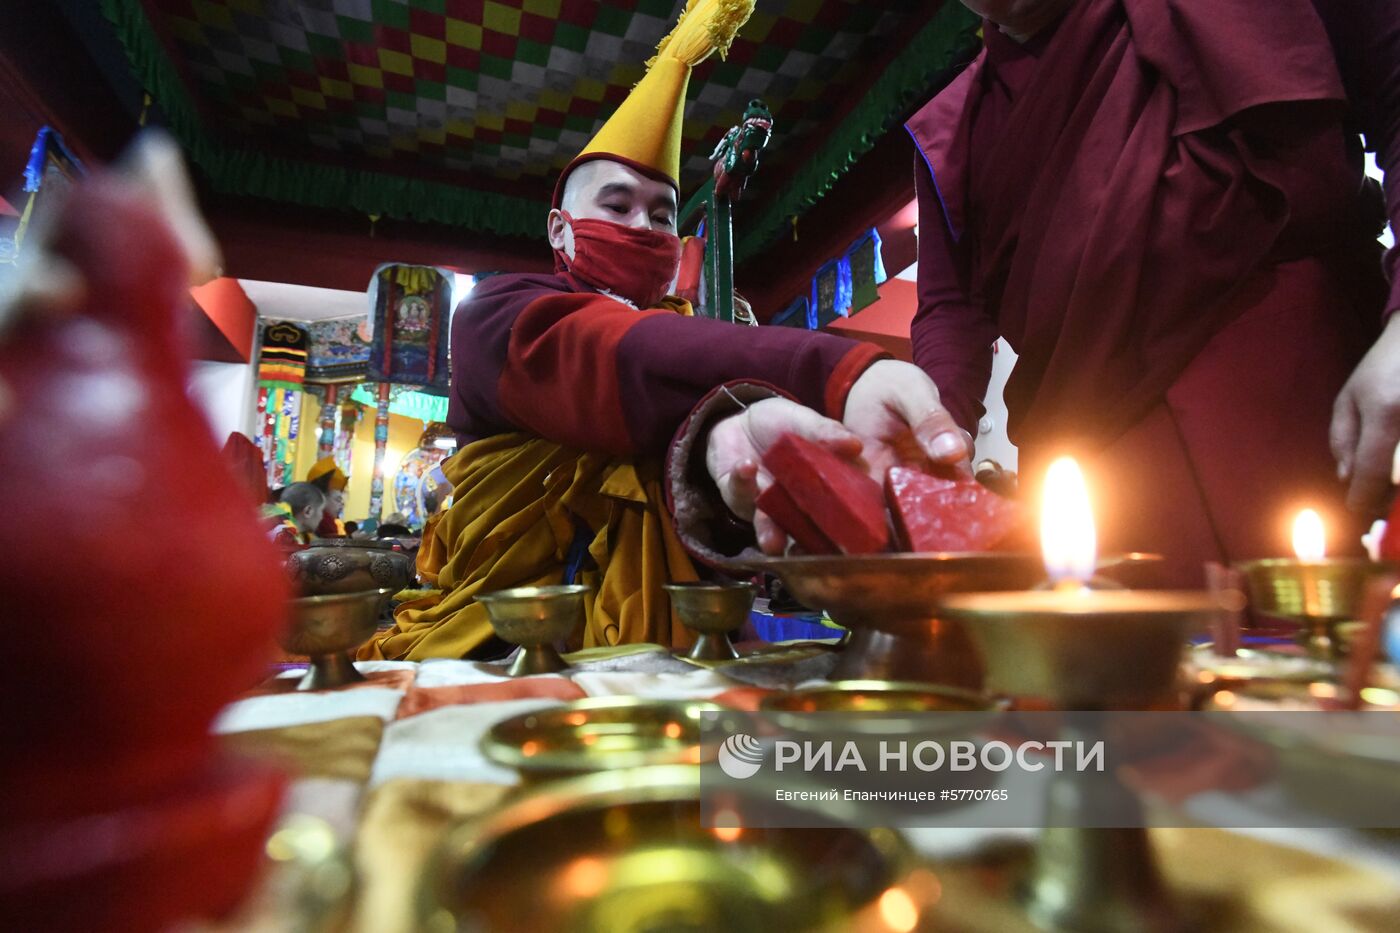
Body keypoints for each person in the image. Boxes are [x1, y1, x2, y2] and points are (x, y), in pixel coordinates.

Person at [360, 0, 970, 662]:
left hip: (677, 653)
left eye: (662, 215)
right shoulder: (498, 314)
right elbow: (623, 361)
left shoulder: (692, 339)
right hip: (497, 646)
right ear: (560, 230)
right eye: (617, 205)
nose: (645, 229)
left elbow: (695, 434)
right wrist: (836, 371)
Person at [907, 0, 1399, 584]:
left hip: (1316, 414)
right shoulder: (955, 127)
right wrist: (931, 427)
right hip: (1099, 481)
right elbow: (951, 307)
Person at [264, 482, 325, 550]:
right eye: (321, 510)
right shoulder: (284, 533)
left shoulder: (290, 530)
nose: (322, 517)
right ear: (308, 511)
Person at [305, 456, 348, 537]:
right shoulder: (319, 524)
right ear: (322, 499)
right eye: (338, 500)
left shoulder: (331, 525)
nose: (342, 505)